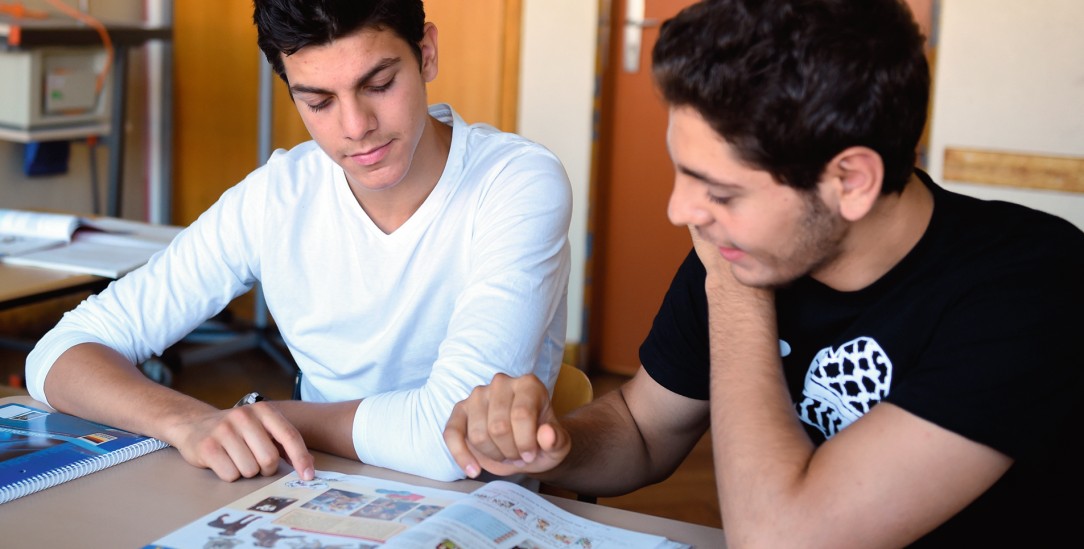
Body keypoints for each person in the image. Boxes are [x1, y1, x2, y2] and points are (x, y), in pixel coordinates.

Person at [443, 0, 1084, 546]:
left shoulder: (1032, 287)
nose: (681, 212)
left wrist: (732, 286)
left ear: (850, 181)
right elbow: (643, 431)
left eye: (719, 192)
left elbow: (781, 537)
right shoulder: (758, 243)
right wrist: (553, 444)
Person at [25, 0, 571, 484]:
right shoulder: (276, 196)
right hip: (305, 489)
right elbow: (57, 354)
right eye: (319, 101)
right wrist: (191, 422)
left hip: (471, 509)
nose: (356, 126)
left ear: (426, 54)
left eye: (379, 84)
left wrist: (268, 416)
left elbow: (449, 441)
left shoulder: (516, 183)